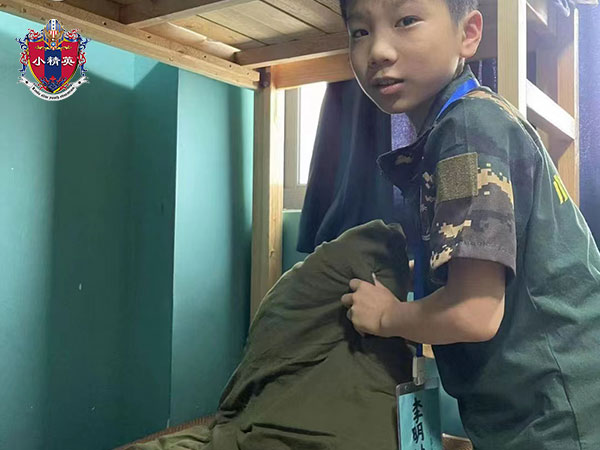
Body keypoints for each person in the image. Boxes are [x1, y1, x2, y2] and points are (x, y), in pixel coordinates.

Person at [338, 1, 600, 448]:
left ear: (469, 33)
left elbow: (473, 313)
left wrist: (387, 315)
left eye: (406, 21)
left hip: (557, 412)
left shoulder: (465, 133)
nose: (378, 50)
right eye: (360, 31)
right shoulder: (470, 121)